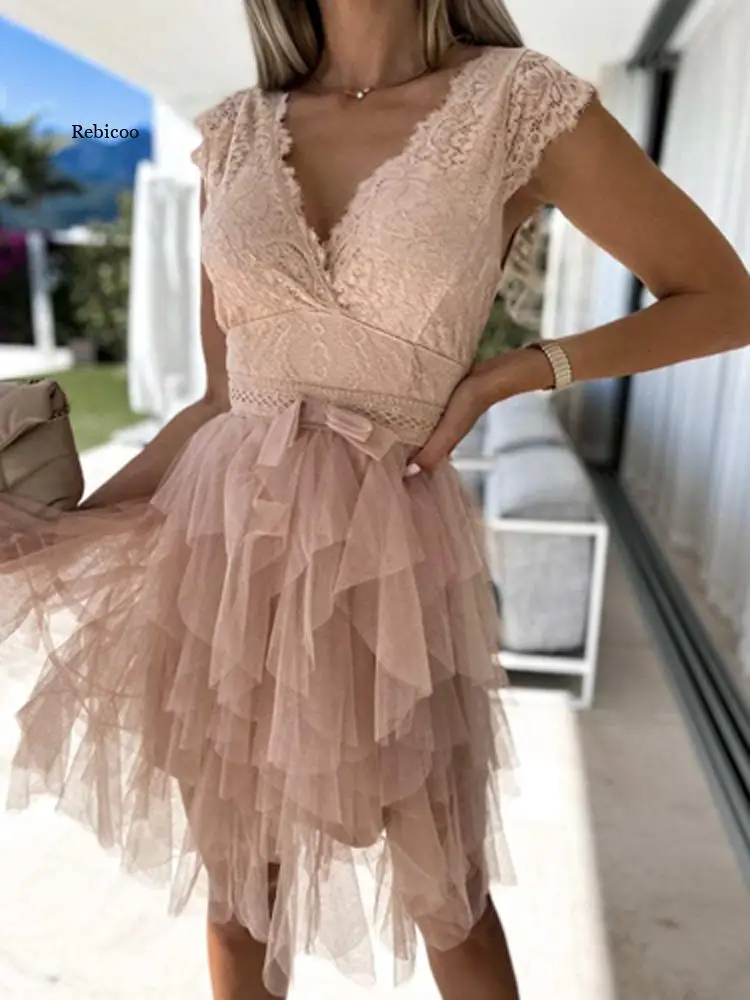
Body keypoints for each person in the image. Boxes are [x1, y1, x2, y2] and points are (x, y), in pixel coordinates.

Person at [2, 1, 750, 998]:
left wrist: (512, 372)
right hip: (224, 563)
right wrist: (63, 530)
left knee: (450, 902)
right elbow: (222, 403)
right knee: (241, 902)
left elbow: (725, 299)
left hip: (389, 559)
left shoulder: (519, 103)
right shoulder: (234, 131)